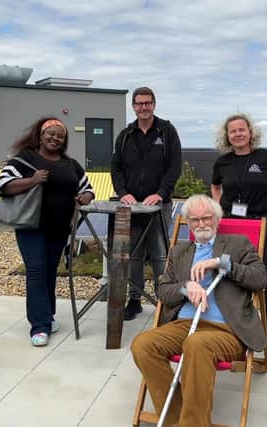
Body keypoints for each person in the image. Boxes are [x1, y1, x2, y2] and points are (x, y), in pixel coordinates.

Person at [131, 194, 267, 427]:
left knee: (196, 345)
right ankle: (179, 418)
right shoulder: (179, 253)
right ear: (188, 223)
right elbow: (163, 290)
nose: (201, 224)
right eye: (194, 220)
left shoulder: (238, 244)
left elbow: (260, 278)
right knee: (142, 345)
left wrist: (221, 264)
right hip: (184, 325)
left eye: (206, 218)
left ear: (217, 219)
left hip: (225, 329)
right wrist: (186, 287)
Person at [0, 116, 95, 347]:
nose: (55, 138)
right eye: (51, 134)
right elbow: (3, 185)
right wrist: (32, 180)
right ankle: (39, 326)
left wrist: (85, 197)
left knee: (50, 271)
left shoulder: (70, 164)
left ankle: (47, 317)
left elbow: (88, 188)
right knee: (37, 271)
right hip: (31, 226)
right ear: (40, 135)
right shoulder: (25, 158)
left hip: (59, 228)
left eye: (60, 136)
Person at [211, 113, 267, 369]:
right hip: (232, 227)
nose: (237, 134)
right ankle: (231, 337)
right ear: (227, 136)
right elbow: (215, 187)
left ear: (250, 132)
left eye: (241, 130)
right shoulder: (222, 162)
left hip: (261, 225)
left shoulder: (266, 157)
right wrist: (217, 211)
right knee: (228, 282)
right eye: (232, 131)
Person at [111, 86, 182, 321]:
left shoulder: (167, 131)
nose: (143, 107)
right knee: (134, 256)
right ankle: (134, 300)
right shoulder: (125, 135)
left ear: (154, 104)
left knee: (161, 255)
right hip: (131, 207)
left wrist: (161, 193)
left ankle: (166, 302)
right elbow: (116, 168)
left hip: (158, 207)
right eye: (139, 103)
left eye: (147, 103)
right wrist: (122, 192)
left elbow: (174, 166)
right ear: (133, 106)